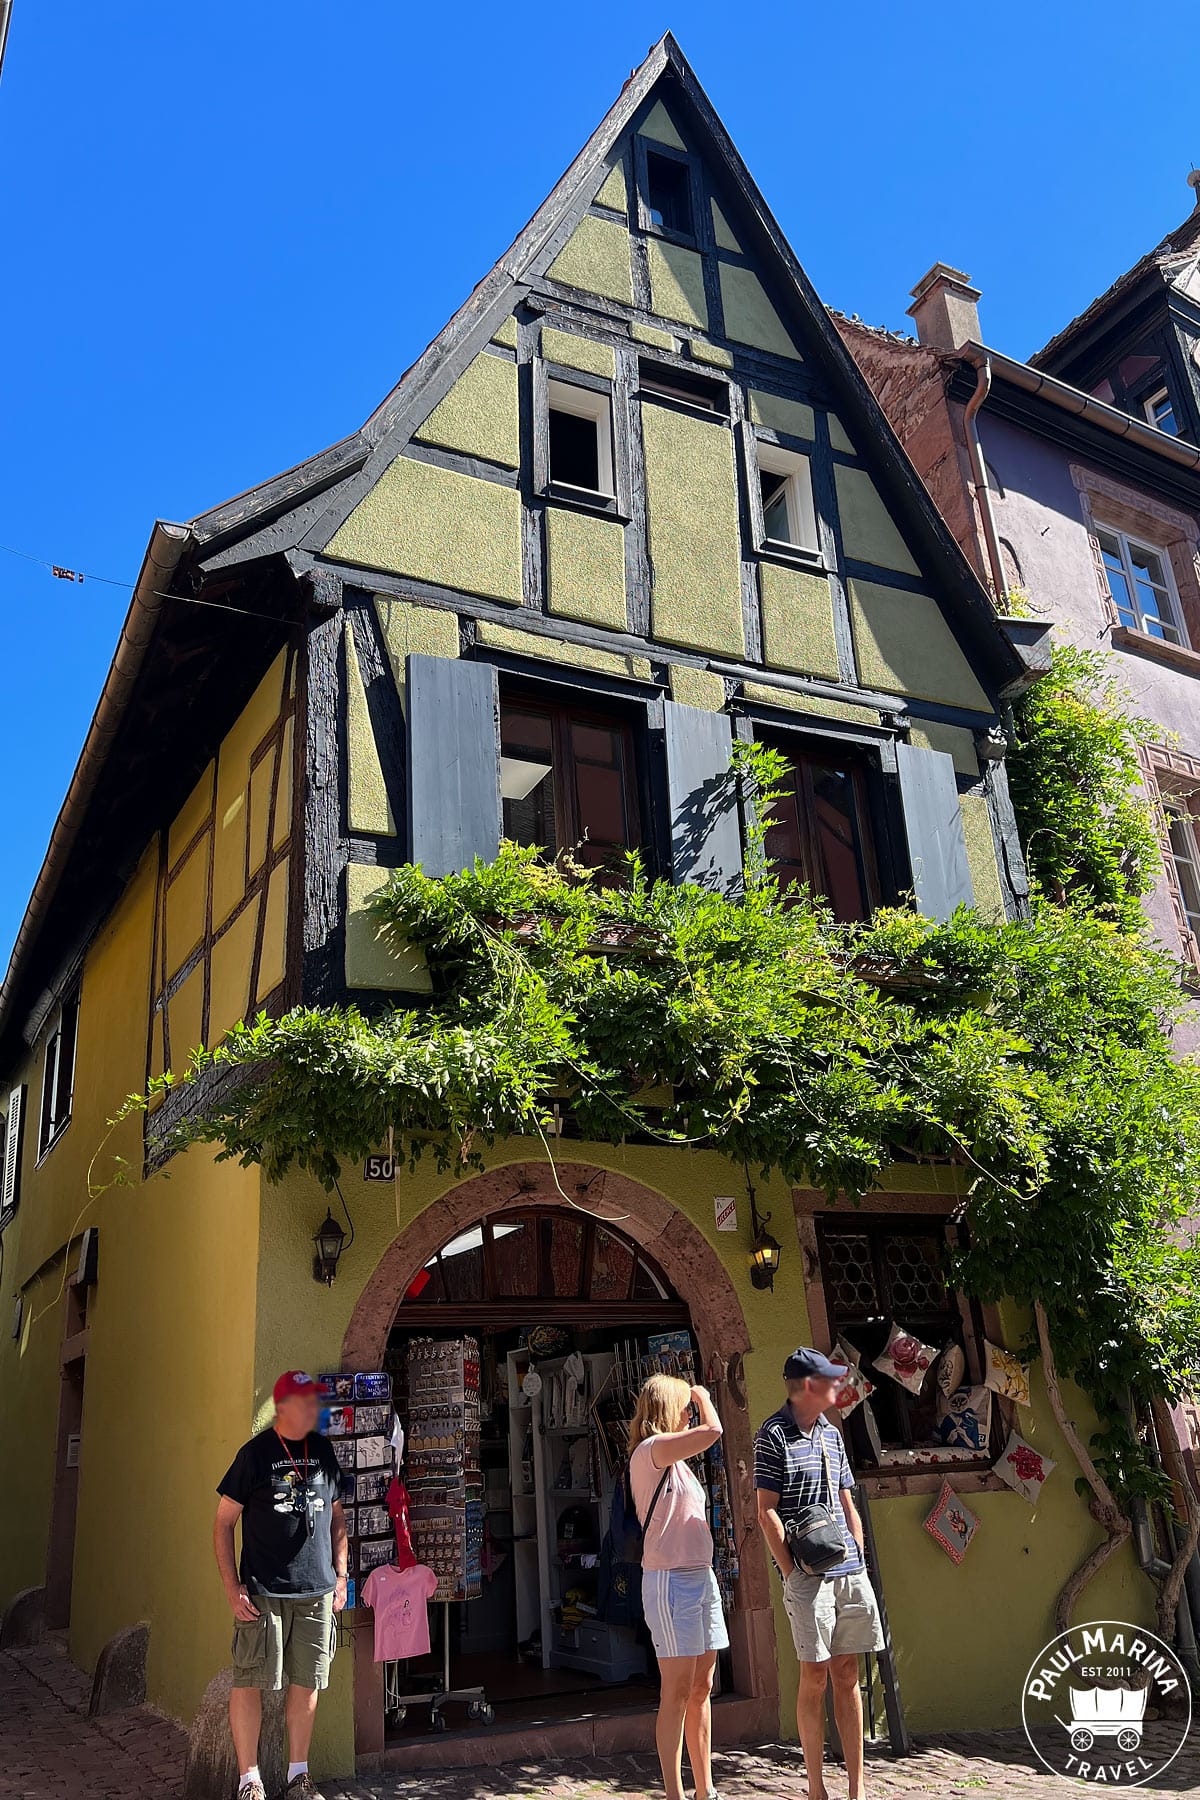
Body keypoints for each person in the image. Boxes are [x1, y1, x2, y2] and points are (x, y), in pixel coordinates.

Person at [755, 1347, 884, 1800]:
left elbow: (847, 1500)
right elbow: (765, 1511)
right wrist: (791, 1574)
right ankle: (815, 1788)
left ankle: (857, 1788)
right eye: (830, 1380)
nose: (837, 1387)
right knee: (815, 1675)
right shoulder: (772, 1435)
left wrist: (861, 1559)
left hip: (849, 1569)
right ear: (808, 1387)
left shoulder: (831, 1434)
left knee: (848, 1672)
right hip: (808, 1576)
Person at [213, 1371, 349, 1800]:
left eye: (317, 1402)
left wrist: (342, 1575)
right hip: (262, 1592)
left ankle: (298, 1776)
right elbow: (222, 1525)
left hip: (317, 1592)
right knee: (250, 1681)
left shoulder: (325, 1452)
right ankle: (249, 1780)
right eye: (307, 1402)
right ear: (283, 1404)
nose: (315, 1409)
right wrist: (231, 1587)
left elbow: (339, 1519)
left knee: (307, 1682)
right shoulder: (254, 1455)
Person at [628, 1373, 727, 1800]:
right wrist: (704, 1397)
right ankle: (675, 1792)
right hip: (670, 1584)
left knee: (703, 1687)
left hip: (701, 1579)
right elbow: (715, 1431)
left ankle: (705, 1788)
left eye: (692, 1406)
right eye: (683, 1406)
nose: (689, 1412)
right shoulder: (650, 1451)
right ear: (666, 1408)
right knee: (677, 1690)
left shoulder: (679, 1464)